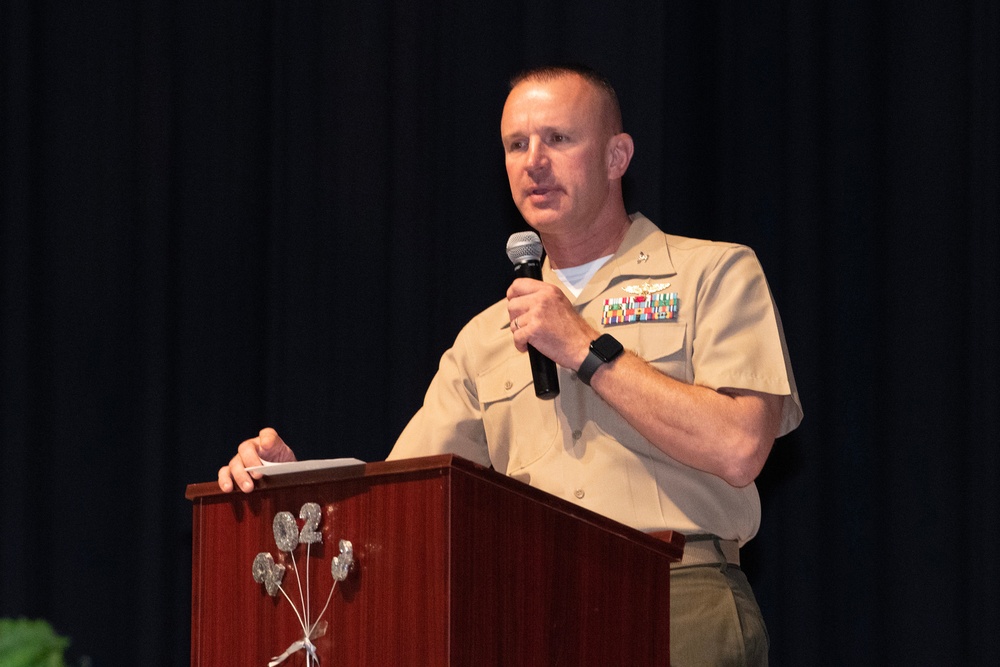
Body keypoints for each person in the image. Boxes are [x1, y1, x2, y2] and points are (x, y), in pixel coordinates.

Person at [219, 64, 802, 666]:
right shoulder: (485, 338)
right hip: (527, 614)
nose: (534, 161)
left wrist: (584, 348)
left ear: (616, 155)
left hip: (677, 599)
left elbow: (740, 447)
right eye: (516, 145)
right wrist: (298, 486)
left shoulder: (714, 273)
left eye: (558, 138)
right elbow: (405, 505)